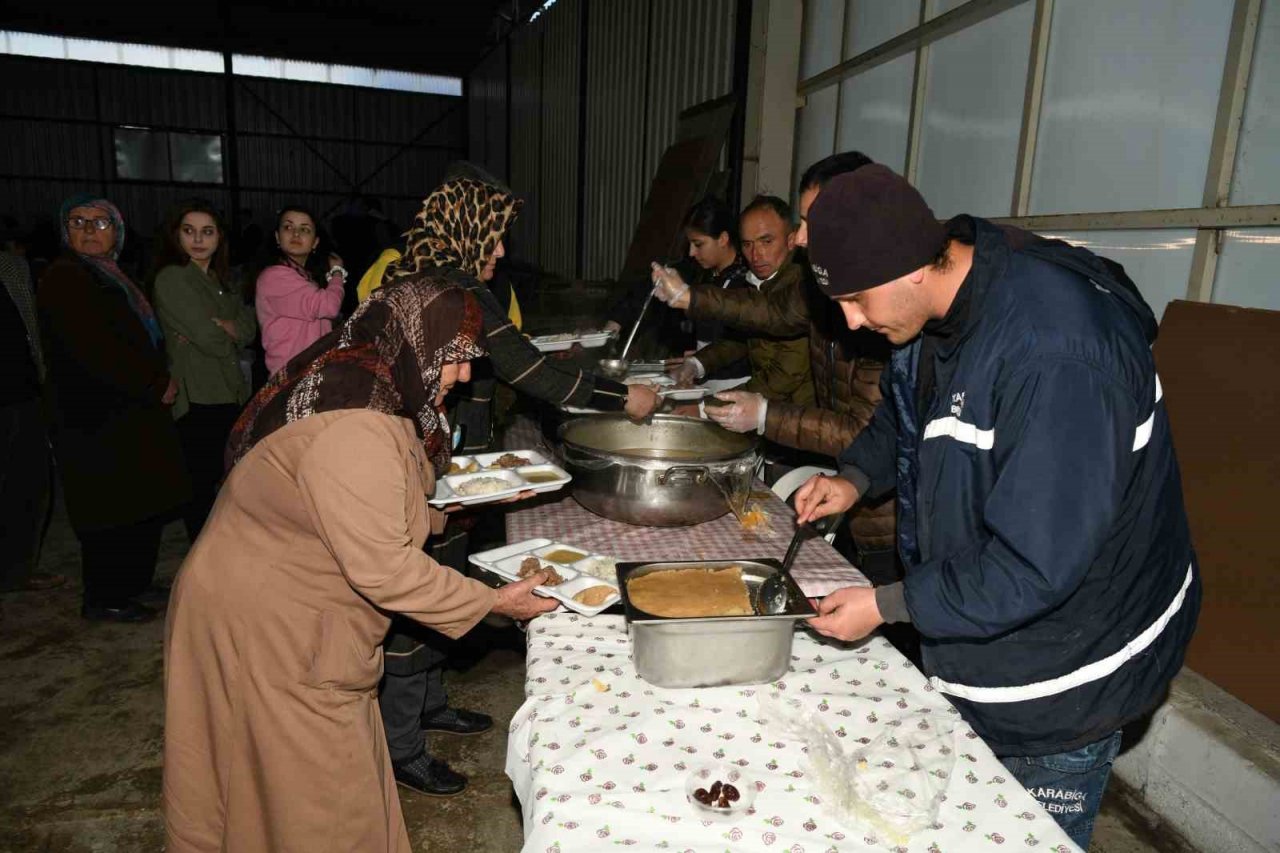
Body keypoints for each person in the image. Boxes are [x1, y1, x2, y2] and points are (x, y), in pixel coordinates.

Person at [793, 165, 1201, 849]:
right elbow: (908, 408)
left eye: (858, 299)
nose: (850, 321)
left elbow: (1033, 567)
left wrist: (890, 604)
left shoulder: (1058, 356)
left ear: (912, 269)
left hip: (1071, 671)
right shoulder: (931, 305)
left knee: (1021, 833)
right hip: (987, 633)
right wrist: (857, 476)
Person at [163, 277, 559, 852]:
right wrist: (493, 602)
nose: (466, 376)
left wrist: (461, 512)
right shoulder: (357, 420)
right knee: (325, 804)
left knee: (281, 786)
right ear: (419, 341)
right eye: (456, 357)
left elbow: (359, 511)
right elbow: (383, 566)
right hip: (267, 621)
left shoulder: (370, 381)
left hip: (272, 602)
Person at [650, 153, 898, 589]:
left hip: (880, 508)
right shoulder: (815, 288)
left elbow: (863, 429)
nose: (802, 239)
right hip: (848, 480)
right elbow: (767, 316)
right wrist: (691, 304)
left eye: (808, 224)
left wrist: (754, 413)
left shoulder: (883, 312)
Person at [383, 179, 660, 421]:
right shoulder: (455, 288)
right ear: (466, 232)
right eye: (493, 239)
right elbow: (525, 369)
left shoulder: (405, 276)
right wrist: (622, 396)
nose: (501, 251)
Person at [37, 195, 190, 622]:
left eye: (100, 222)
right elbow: (93, 348)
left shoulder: (113, 275)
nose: (89, 229)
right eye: (78, 221)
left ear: (118, 231)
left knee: (137, 505)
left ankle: (134, 582)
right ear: (64, 231)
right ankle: (105, 596)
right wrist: (153, 382)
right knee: (109, 510)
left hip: (128, 411)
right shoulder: (65, 277)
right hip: (95, 415)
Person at [152, 200, 257, 540]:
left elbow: (250, 327)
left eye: (207, 231)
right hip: (198, 395)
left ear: (219, 238)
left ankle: (220, 550)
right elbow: (211, 339)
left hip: (229, 391)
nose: (198, 239)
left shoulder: (218, 280)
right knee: (200, 485)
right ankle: (202, 558)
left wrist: (230, 328)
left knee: (225, 480)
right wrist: (227, 331)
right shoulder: (173, 278)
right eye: (189, 231)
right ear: (176, 236)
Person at [663, 196, 813, 407]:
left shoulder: (800, 286)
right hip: (775, 415)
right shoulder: (761, 280)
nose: (755, 255)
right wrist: (697, 364)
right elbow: (742, 339)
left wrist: (708, 408)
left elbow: (783, 378)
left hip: (796, 415)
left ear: (790, 240)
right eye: (747, 244)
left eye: (766, 242)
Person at [0, 248, 61, 593]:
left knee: (27, 486)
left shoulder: (10, 265)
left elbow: (32, 330)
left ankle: (16, 571)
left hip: (21, 395)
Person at [254, 205, 347, 375]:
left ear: (315, 242)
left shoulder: (305, 278)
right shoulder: (275, 276)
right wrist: (337, 273)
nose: (296, 234)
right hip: (292, 379)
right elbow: (329, 306)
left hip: (310, 376)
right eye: (288, 227)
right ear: (277, 236)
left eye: (305, 229)